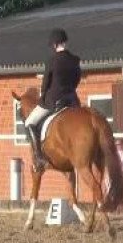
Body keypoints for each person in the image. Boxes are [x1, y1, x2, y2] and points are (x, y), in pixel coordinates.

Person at [25, 28, 81, 172]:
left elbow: (45, 83)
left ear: (55, 44)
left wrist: (43, 95)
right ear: (65, 42)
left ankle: (38, 157)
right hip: (72, 100)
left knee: (29, 122)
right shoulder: (75, 60)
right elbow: (76, 80)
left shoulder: (52, 60)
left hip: (53, 100)